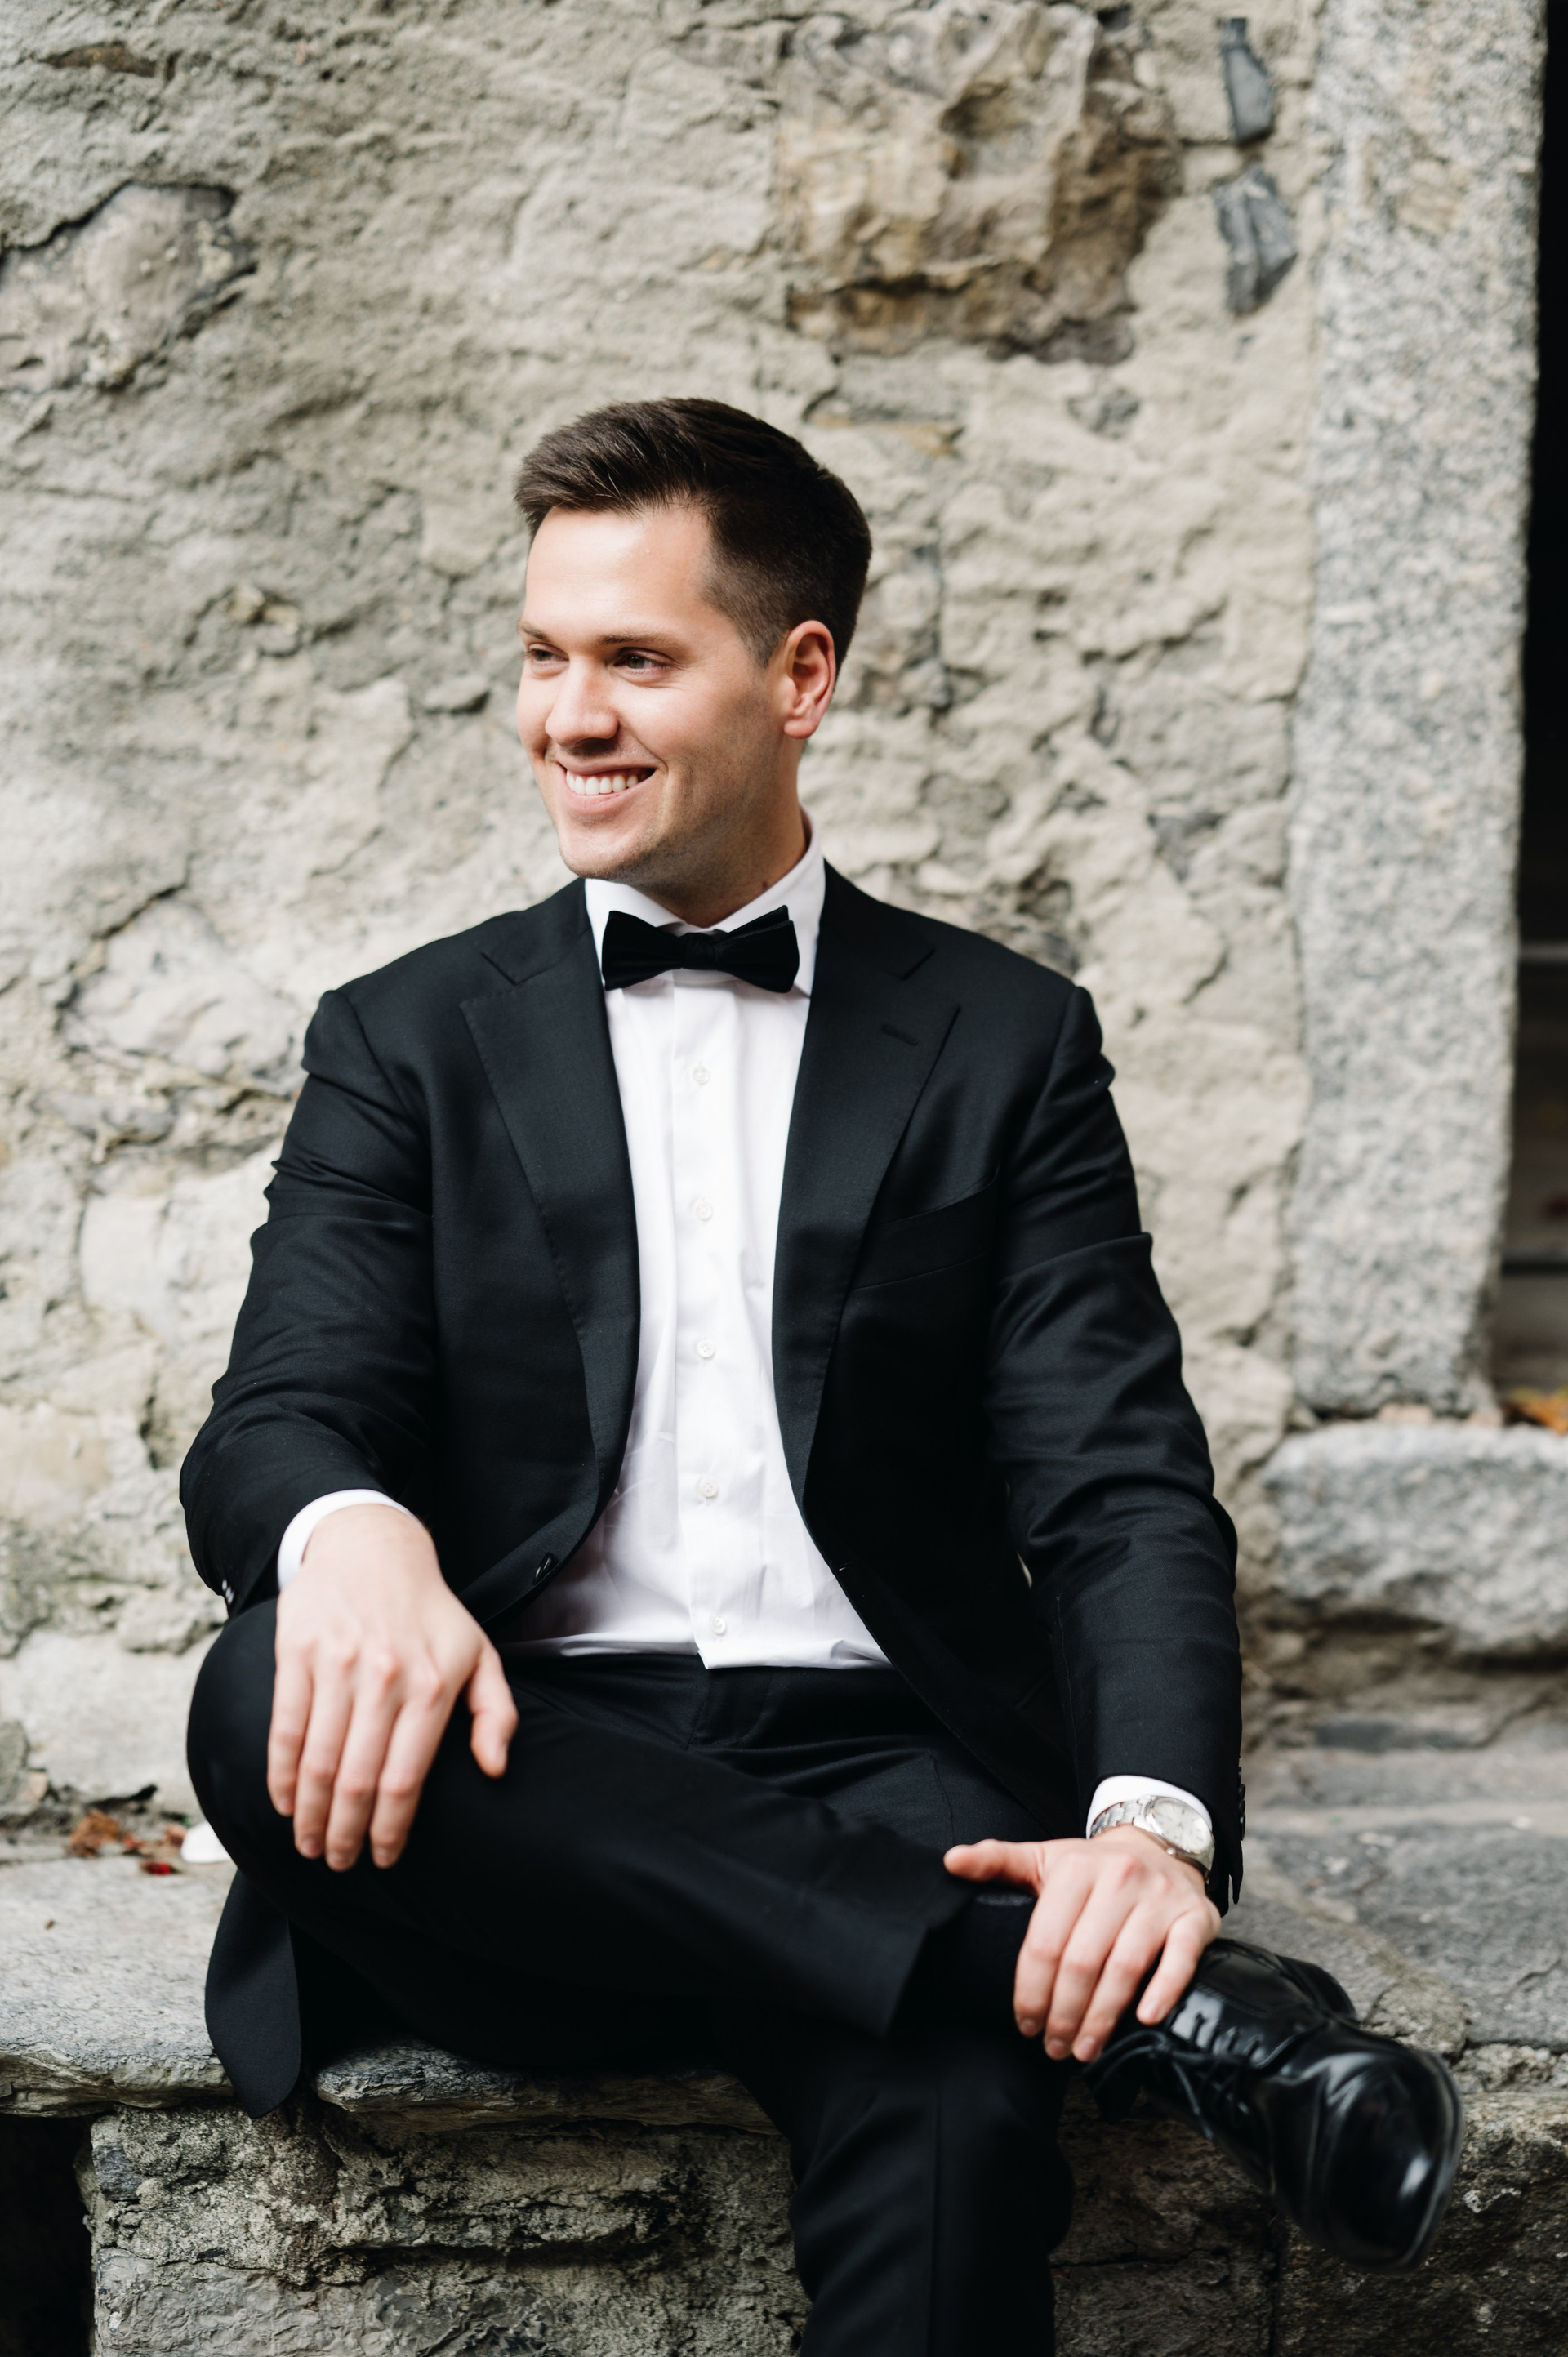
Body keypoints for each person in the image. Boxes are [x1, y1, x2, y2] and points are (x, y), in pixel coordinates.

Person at [185, 399, 1461, 2352]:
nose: (566, 717)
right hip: (539, 1791)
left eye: (634, 660)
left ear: (800, 678)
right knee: (264, 1679)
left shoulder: (1004, 1041)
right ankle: (1131, 2006)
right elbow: (283, 1411)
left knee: (955, 2140)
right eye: (542, 656)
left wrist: (1148, 1834)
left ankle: (967, 1965)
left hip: (893, 1770)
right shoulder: (406, 1037)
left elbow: (1114, 1481)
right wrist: (351, 1532)